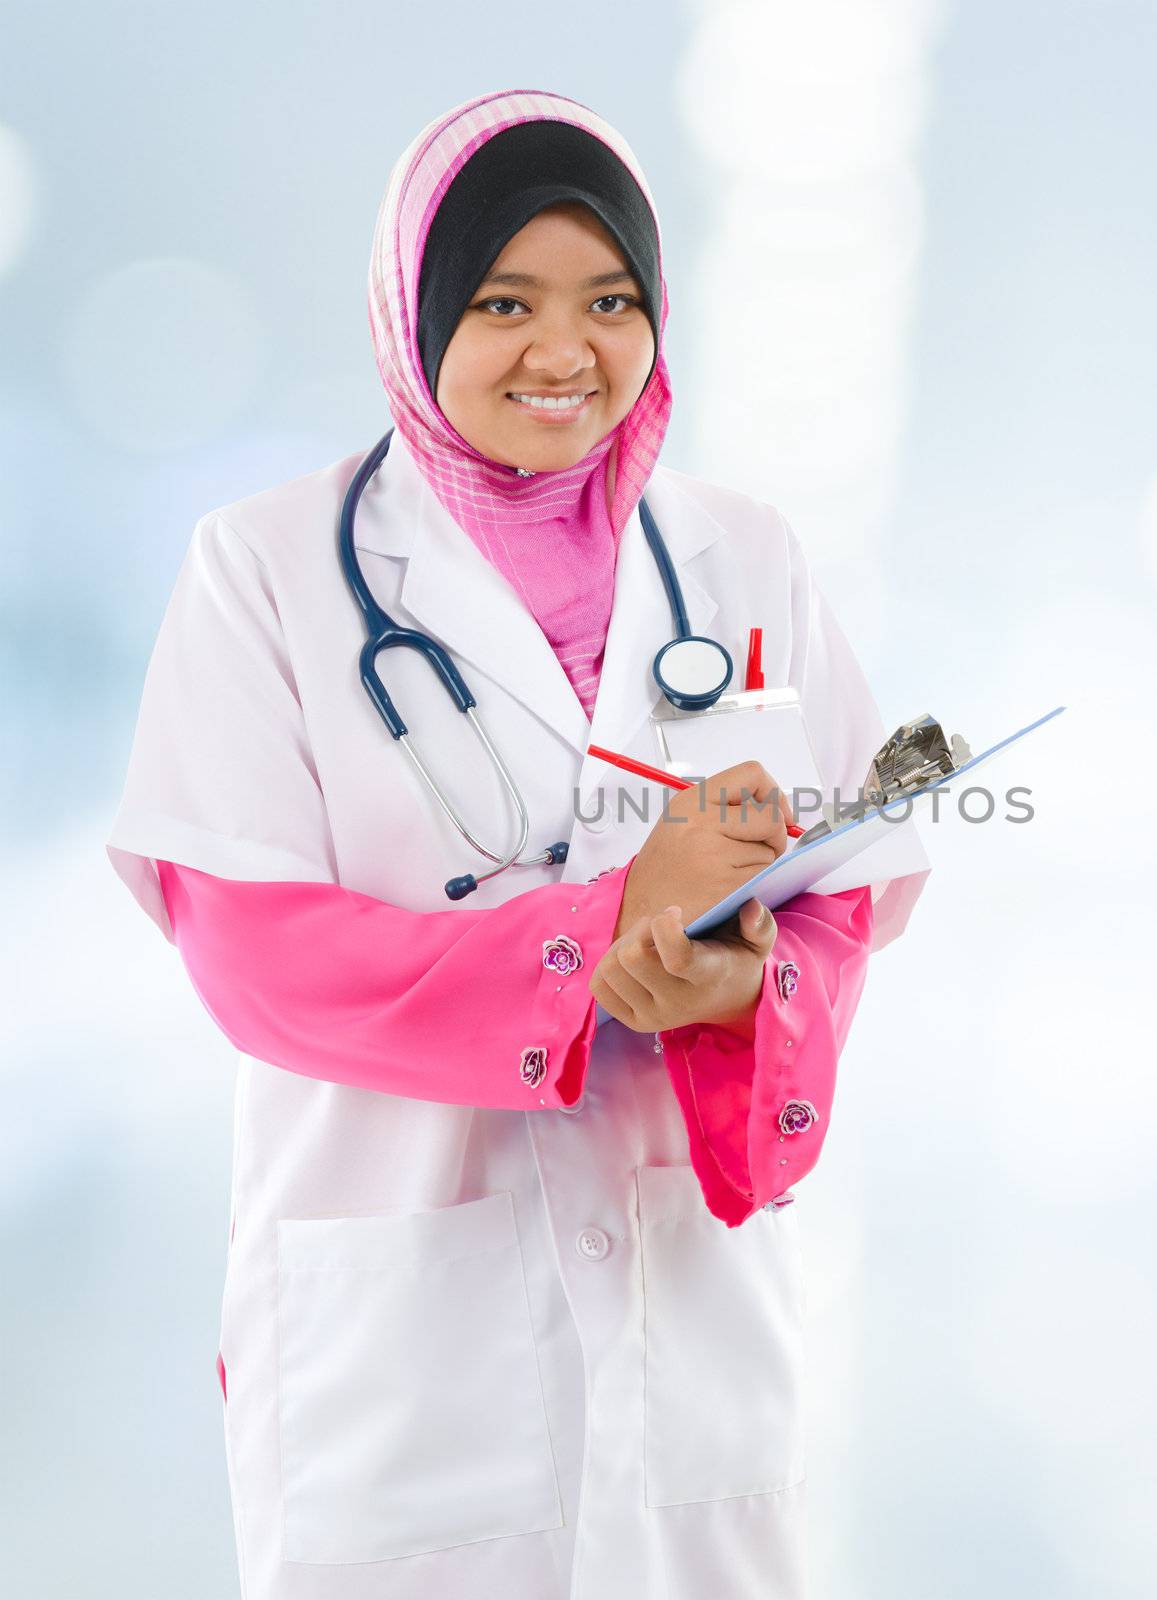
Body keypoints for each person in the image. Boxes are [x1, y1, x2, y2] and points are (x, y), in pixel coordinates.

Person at [106, 88, 930, 1599]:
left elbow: (845, 890)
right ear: (416, 316)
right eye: (505, 303)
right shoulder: (272, 570)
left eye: (612, 300)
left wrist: (750, 991)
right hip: (405, 1348)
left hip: (691, 1333)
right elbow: (253, 953)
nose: (568, 354)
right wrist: (587, 946)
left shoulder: (742, 553)